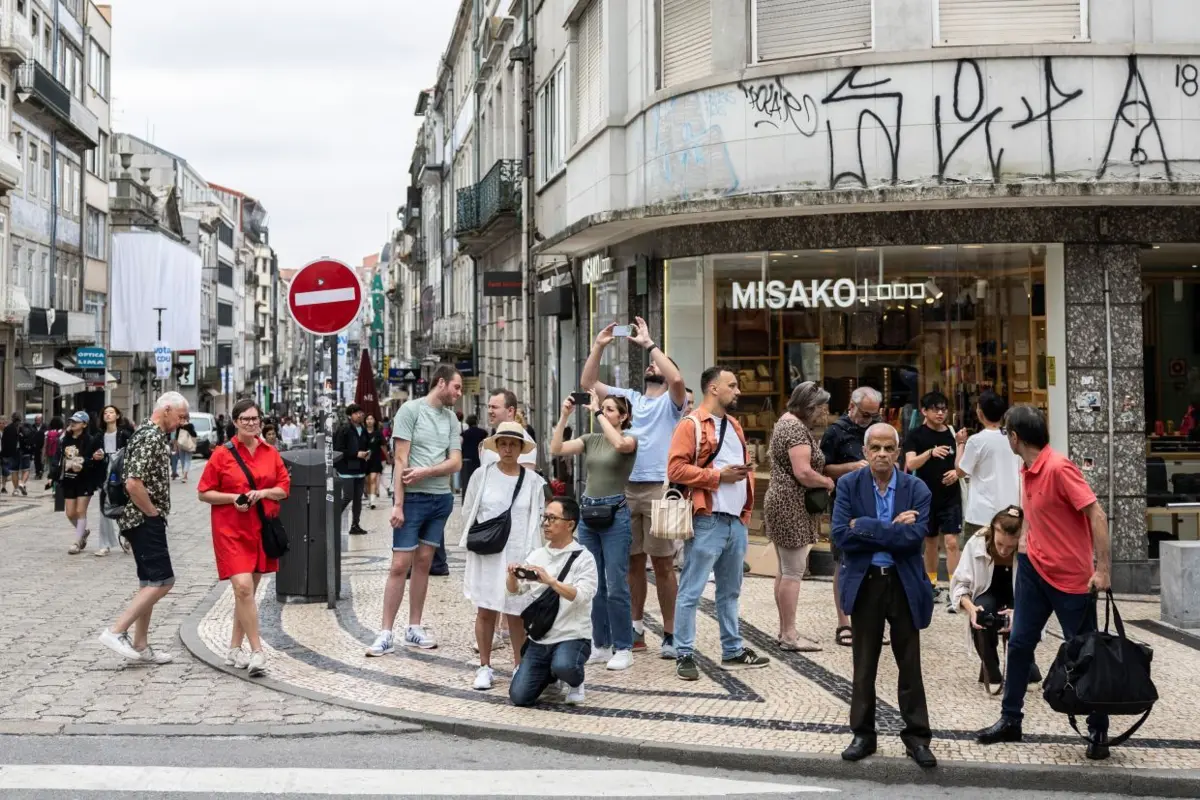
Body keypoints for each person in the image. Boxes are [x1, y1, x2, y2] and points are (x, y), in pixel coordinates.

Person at [976, 405, 1113, 761]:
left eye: (1007, 433)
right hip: (1034, 571)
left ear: (1015, 437)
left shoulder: (1058, 468)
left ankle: (1098, 729)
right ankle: (1011, 720)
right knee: (1020, 644)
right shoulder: (1027, 468)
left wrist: (1103, 570)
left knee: (1085, 654)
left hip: (1071, 580)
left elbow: (1096, 514)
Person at [581, 316, 687, 659]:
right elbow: (588, 382)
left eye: (660, 364)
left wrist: (649, 345)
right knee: (631, 562)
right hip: (625, 489)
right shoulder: (628, 399)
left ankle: (670, 632)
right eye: (651, 365)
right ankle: (636, 628)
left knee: (664, 564)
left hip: (660, 487)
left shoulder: (673, 403)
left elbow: (677, 377)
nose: (655, 369)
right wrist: (598, 346)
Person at [832, 423, 936, 769]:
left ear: (897, 451)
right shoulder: (848, 485)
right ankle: (863, 734)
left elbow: (915, 539)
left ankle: (917, 737)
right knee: (864, 664)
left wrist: (864, 526)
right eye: (874, 448)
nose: (881, 454)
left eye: (888, 448)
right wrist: (893, 527)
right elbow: (840, 537)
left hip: (903, 582)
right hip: (866, 584)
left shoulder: (916, 488)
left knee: (910, 664)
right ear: (865, 451)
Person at [667, 366, 770, 681]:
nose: (738, 391)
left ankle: (733, 649)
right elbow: (675, 470)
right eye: (732, 385)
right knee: (691, 590)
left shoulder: (735, 425)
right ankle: (683, 652)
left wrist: (745, 511)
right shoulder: (691, 425)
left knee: (730, 590)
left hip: (735, 521)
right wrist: (717, 477)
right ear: (713, 388)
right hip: (706, 519)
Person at [367, 364, 463, 655]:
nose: (459, 393)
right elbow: (400, 458)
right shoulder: (410, 411)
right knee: (400, 565)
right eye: (457, 387)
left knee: (424, 562)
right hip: (412, 500)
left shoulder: (451, 420)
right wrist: (397, 504)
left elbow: (455, 462)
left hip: (440, 499)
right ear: (441, 383)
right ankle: (385, 632)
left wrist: (426, 472)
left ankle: (414, 627)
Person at [198, 398, 291, 677]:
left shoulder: (270, 452)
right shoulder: (222, 454)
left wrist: (262, 493)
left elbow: (284, 488)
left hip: (260, 528)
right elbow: (204, 492)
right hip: (230, 530)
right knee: (243, 587)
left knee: (245, 592)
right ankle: (257, 651)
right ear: (236, 422)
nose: (252, 423)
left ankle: (233, 648)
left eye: (255, 418)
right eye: (246, 419)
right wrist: (232, 498)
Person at [97, 391, 189, 667]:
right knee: (164, 581)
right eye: (181, 416)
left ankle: (140, 644)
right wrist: (151, 512)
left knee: (149, 581)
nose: (182, 422)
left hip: (141, 518)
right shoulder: (150, 437)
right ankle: (116, 631)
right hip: (143, 519)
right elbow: (133, 482)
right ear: (167, 410)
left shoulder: (151, 434)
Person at [550, 390, 638, 670]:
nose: (605, 413)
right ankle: (601, 643)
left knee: (616, 586)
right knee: (593, 584)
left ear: (623, 416)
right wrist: (564, 416)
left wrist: (599, 412)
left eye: (612, 410)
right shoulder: (591, 439)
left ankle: (624, 646)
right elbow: (556, 449)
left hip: (615, 515)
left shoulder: (630, 439)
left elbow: (620, 445)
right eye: (605, 409)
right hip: (588, 514)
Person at [460, 422, 547, 690]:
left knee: (517, 612)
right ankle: (484, 666)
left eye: (513, 444)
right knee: (485, 608)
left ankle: (519, 665)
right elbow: (469, 511)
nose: (508, 448)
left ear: (521, 448)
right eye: (503, 443)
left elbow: (539, 520)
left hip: (519, 554)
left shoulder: (534, 481)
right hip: (488, 552)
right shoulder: (481, 475)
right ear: (496, 447)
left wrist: (535, 558)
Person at [507, 497, 599, 707]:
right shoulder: (537, 555)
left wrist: (551, 581)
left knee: (565, 665)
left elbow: (583, 596)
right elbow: (515, 592)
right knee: (519, 697)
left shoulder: (584, 558)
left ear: (570, 524)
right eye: (545, 518)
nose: (546, 524)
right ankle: (550, 673)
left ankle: (575, 680)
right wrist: (512, 576)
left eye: (552, 518)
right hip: (540, 638)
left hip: (573, 635)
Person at [765, 382, 835, 652]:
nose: (823, 413)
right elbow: (803, 472)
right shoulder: (795, 429)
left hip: (781, 501)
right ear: (809, 406)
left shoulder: (786, 421)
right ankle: (790, 635)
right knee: (793, 571)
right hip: (790, 504)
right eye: (821, 407)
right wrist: (827, 482)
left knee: (784, 570)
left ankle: (785, 631)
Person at [951, 505, 1042, 693]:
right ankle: (990, 666)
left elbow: (1040, 591)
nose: (1003, 550)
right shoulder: (976, 543)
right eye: (1000, 544)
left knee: (1020, 616)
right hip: (987, 591)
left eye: (1010, 546)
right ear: (992, 532)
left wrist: (1020, 614)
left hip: (1019, 593)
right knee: (983, 611)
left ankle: (1026, 661)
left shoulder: (1032, 545)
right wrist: (970, 608)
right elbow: (960, 584)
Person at [820, 386, 882, 647]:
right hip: (845, 503)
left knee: (876, 562)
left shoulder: (878, 429)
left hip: (877, 501)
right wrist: (851, 468)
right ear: (851, 407)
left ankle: (871, 621)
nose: (869, 420)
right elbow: (822, 468)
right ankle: (844, 622)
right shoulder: (835, 431)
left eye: (873, 415)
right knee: (843, 561)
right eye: (865, 415)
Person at [903, 391, 963, 607]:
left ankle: (956, 589)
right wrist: (930, 453)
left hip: (951, 496)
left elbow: (962, 463)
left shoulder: (953, 433)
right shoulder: (915, 435)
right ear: (924, 412)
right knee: (930, 543)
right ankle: (931, 584)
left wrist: (957, 473)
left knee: (952, 542)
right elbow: (910, 464)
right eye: (935, 409)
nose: (940, 413)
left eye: (944, 409)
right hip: (925, 496)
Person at [955, 390, 1022, 542]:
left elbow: (960, 471)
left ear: (980, 412)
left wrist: (960, 444)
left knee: (976, 561)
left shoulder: (976, 441)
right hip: (1011, 511)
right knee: (1005, 560)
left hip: (981, 514)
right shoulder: (1014, 437)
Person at [61, 411, 103, 554]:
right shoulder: (65, 440)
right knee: (70, 513)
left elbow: (95, 459)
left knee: (80, 511)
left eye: (77, 422)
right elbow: (59, 458)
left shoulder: (91, 440)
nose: (73, 424)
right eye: (71, 421)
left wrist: (86, 461)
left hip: (85, 479)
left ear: (84, 425)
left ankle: (77, 542)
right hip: (68, 479)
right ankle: (83, 532)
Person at [95, 406, 133, 557]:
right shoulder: (98, 436)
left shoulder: (124, 434)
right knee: (104, 510)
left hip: (120, 477)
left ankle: (128, 535)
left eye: (111, 412)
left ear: (117, 416)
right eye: (105, 412)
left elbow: (131, 453)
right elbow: (90, 455)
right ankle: (104, 544)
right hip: (104, 477)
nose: (108, 415)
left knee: (122, 507)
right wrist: (94, 457)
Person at [334, 404, 370, 536]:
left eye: (361, 412)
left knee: (358, 498)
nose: (360, 415)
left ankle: (355, 525)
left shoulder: (363, 430)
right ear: (350, 415)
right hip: (346, 469)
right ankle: (331, 517)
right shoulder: (344, 430)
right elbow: (338, 449)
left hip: (360, 468)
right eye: (356, 413)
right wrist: (356, 454)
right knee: (348, 496)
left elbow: (366, 445)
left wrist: (367, 453)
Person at [481, 391, 538, 468]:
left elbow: (525, 476)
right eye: (489, 407)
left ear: (510, 411)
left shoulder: (522, 439)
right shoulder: (492, 438)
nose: (489, 411)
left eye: (494, 407)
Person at [362, 414, 388, 510]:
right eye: (367, 419)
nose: (369, 420)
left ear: (374, 421)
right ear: (365, 421)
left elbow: (383, 446)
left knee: (373, 479)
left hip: (375, 459)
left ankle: (373, 501)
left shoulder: (378, 433)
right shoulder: (362, 433)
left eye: (371, 418)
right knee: (367, 481)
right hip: (364, 460)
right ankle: (369, 499)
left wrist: (388, 458)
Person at [1, 411, 31, 495]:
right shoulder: (26, 426)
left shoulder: (7, 428)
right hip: (25, 451)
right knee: (26, 470)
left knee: (14, 471)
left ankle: (15, 490)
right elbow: (31, 438)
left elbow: (4, 442)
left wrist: (5, 454)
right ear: (21, 418)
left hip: (13, 452)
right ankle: (22, 483)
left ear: (12, 418)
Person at [460, 415, 487, 497]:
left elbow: (461, 445)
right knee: (479, 479)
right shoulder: (483, 433)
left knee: (467, 481)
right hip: (479, 458)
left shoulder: (464, 434)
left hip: (467, 460)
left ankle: (466, 497)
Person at [43, 416, 63, 492]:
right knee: (58, 471)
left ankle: (53, 488)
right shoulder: (62, 432)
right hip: (59, 455)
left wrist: (43, 456)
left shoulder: (48, 433)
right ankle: (57, 488)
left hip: (50, 455)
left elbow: (45, 446)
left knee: (51, 471)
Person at [175, 418, 198, 482]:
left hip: (181, 445)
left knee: (182, 460)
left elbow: (176, 437)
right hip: (189, 445)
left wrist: (176, 446)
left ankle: (184, 475)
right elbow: (194, 434)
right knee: (187, 460)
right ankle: (185, 475)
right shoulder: (190, 426)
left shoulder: (179, 427)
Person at [31, 414, 46, 481]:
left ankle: (41, 472)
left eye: (39, 420)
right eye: (36, 420)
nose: (37, 421)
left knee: (42, 460)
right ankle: (37, 472)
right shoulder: (32, 426)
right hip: (35, 446)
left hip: (43, 446)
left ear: (41, 420)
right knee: (36, 460)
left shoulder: (45, 426)